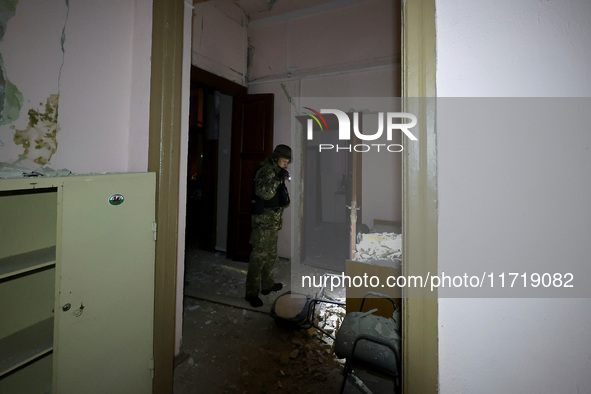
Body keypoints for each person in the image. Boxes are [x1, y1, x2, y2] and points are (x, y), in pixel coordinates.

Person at [245, 144, 291, 307]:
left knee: (270, 254)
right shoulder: (266, 171)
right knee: (258, 256)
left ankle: (267, 285)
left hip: (272, 219)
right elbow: (266, 193)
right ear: (276, 158)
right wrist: (279, 178)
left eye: (288, 162)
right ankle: (251, 293)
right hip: (263, 221)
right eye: (284, 161)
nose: (286, 164)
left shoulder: (276, 171)